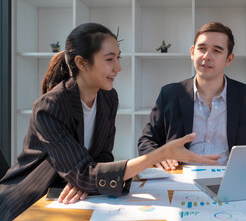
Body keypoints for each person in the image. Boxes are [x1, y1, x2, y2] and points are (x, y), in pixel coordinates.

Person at [0, 23, 220, 221]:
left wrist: (85, 180)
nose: (118, 67)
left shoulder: (107, 98)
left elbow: (102, 157)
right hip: (31, 201)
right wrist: (159, 155)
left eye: (118, 58)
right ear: (82, 63)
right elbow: (85, 174)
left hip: (73, 198)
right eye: (109, 59)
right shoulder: (49, 107)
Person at [138, 22, 246, 170]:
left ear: (229, 59)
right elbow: (146, 142)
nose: (207, 56)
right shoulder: (170, 94)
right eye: (202, 48)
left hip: (230, 179)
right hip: (180, 178)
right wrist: (160, 157)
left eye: (216, 51)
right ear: (192, 52)